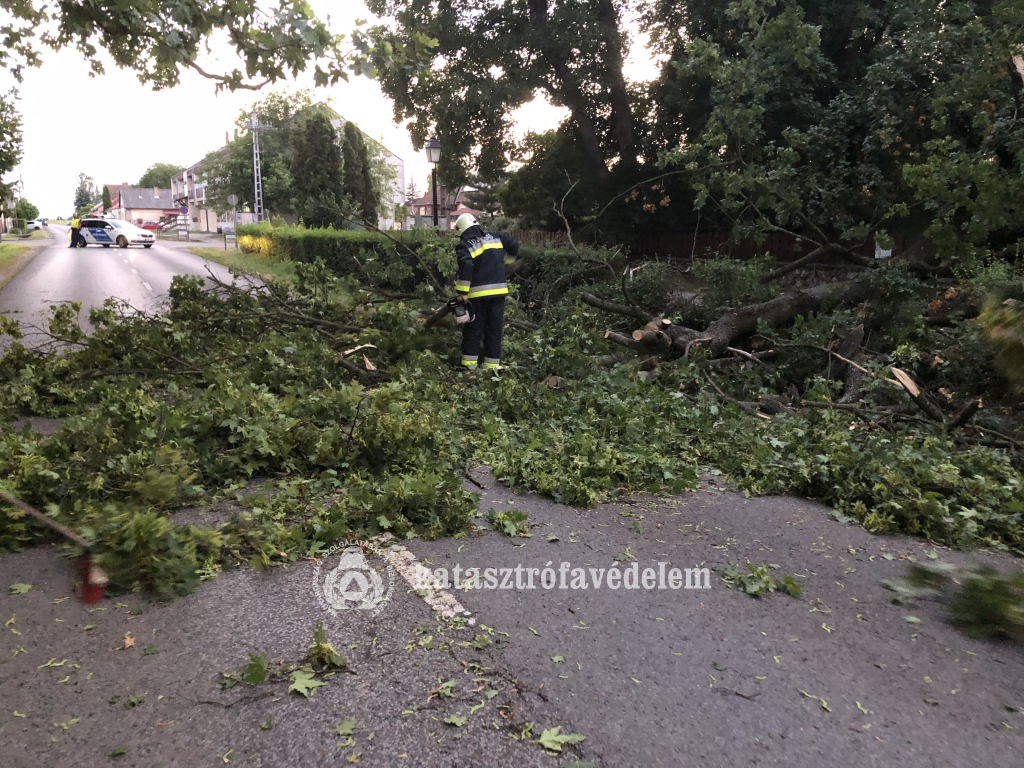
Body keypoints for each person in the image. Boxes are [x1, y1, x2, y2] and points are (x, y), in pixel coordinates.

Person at [453, 213, 518, 370]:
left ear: (462, 231)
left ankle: (469, 368)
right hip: (498, 294)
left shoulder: (465, 245)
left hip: (477, 297)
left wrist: (462, 295)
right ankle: (491, 367)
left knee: (474, 330)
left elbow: (466, 267)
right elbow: (514, 244)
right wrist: (507, 263)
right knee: (494, 330)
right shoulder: (494, 237)